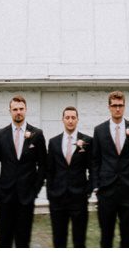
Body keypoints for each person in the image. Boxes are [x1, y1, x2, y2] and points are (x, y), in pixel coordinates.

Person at [0, 95, 48, 247]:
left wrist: (35, 190)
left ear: (26, 110)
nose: (18, 112)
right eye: (15, 109)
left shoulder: (37, 134)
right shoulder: (1, 134)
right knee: (4, 240)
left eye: (21, 109)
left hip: (26, 196)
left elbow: (43, 165)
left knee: (23, 240)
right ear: (10, 111)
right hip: (5, 196)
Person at [91, 90, 129, 248]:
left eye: (120, 105)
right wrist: (96, 185)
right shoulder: (99, 130)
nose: (117, 109)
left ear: (124, 106)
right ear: (109, 107)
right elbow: (95, 160)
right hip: (106, 190)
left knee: (127, 236)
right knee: (106, 236)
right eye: (114, 106)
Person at [44, 106, 93, 247]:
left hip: (79, 198)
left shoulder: (88, 141)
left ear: (77, 120)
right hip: (58, 199)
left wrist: (87, 191)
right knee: (59, 240)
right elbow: (49, 170)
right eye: (67, 118)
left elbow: (92, 168)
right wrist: (51, 193)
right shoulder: (53, 142)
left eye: (73, 118)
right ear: (62, 120)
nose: (70, 121)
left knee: (79, 240)